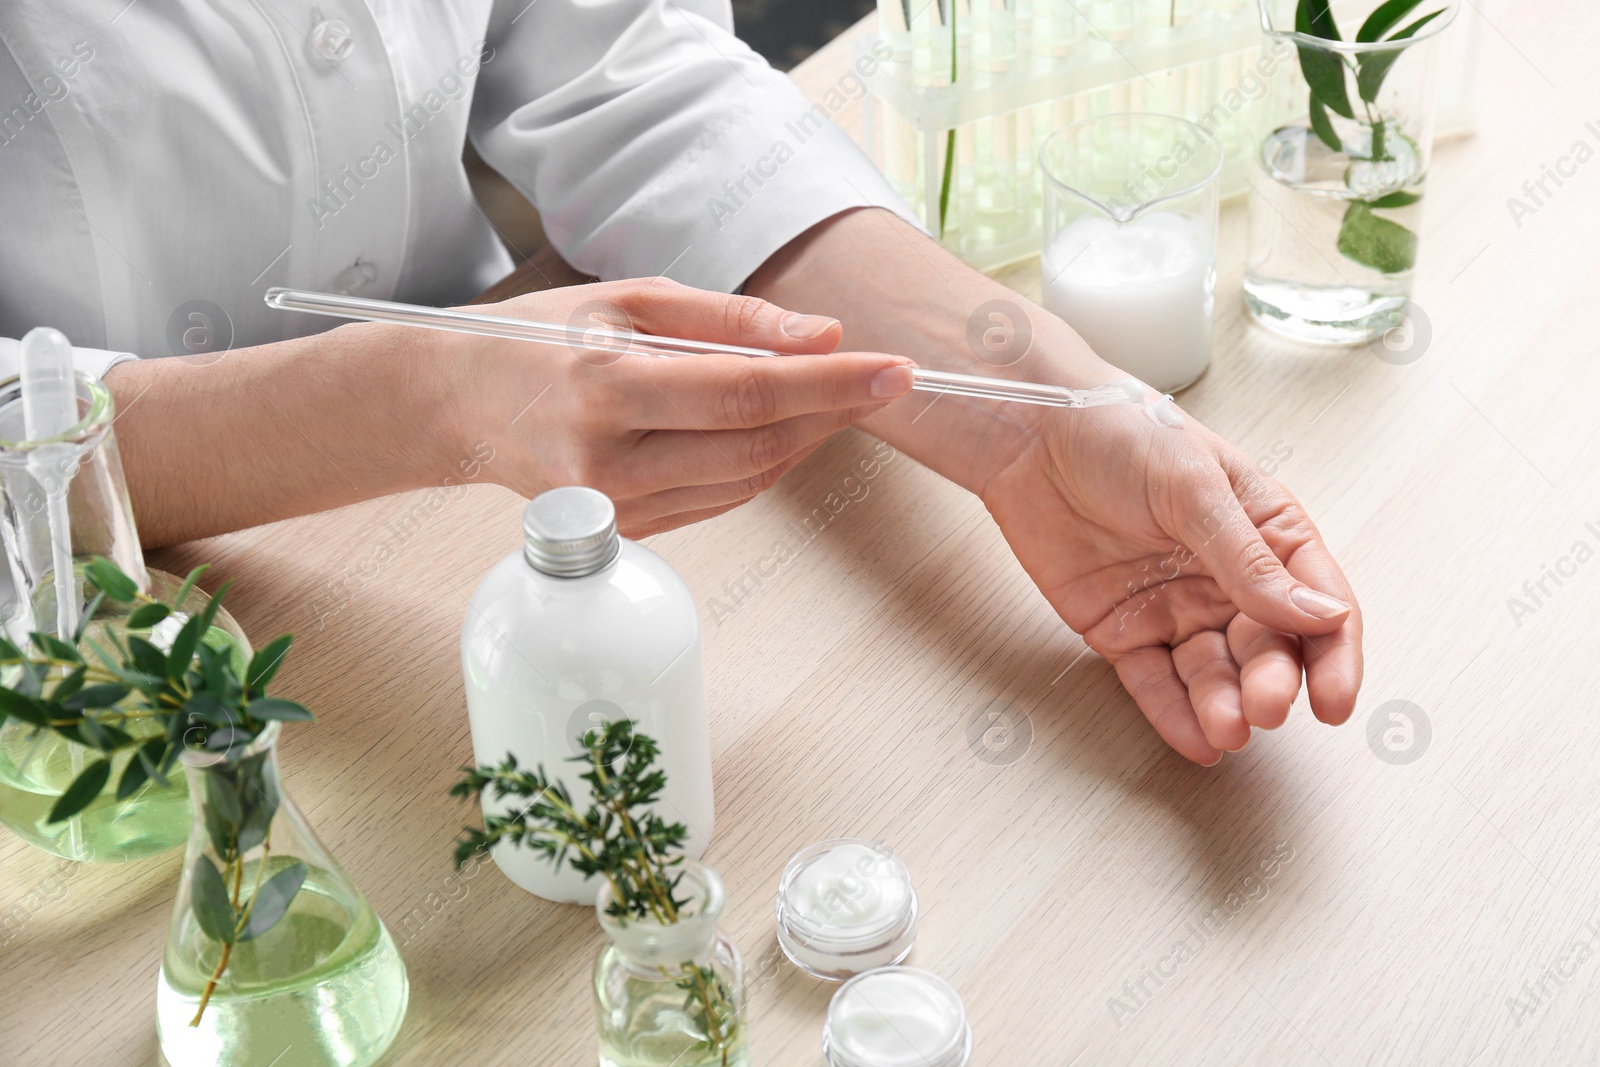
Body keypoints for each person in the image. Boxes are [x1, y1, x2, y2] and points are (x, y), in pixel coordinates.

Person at [0, 0, 1361, 765]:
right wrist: (424, 401)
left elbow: (618, 66)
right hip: (94, 684)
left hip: (451, 533)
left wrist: (1033, 405)